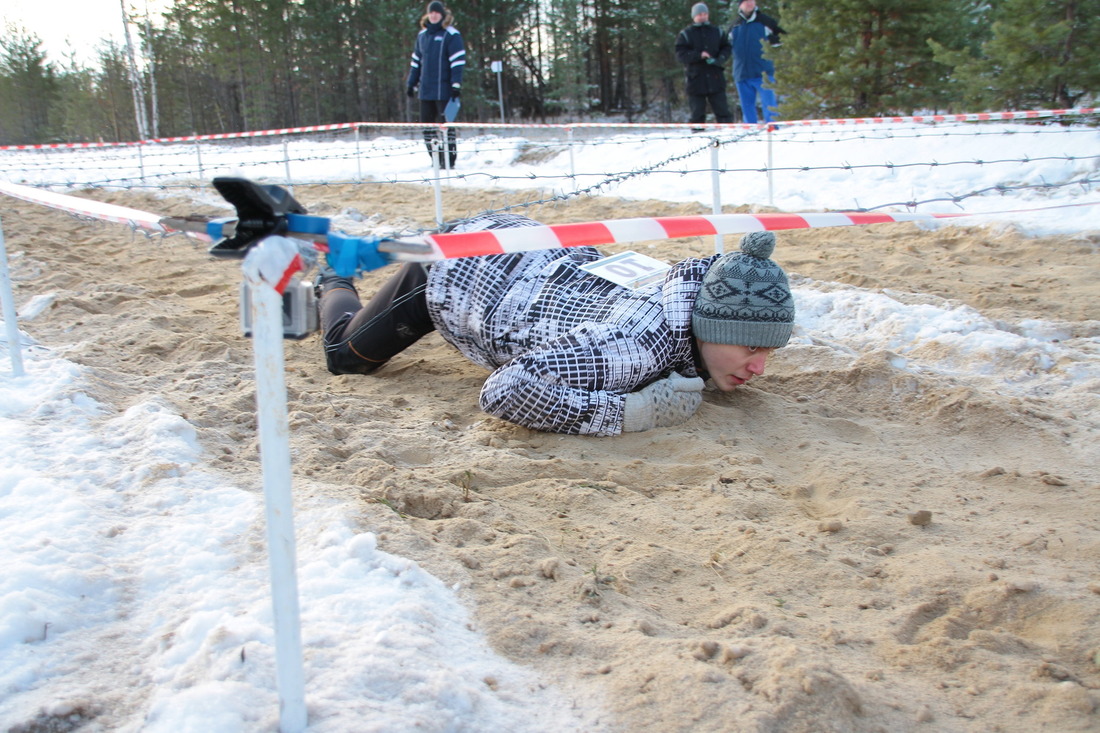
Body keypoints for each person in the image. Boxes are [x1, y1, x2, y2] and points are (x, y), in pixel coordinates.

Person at [317, 213, 796, 436]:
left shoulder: (688, 292)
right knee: (345, 354)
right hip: (457, 269)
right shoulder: (635, 345)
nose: (759, 367)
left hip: (523, 247)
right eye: (750, 348)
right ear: (712, 325)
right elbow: (504, 390)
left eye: (768, 351)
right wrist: (635, 412)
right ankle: (333, 277)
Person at [406, 1, 466, 168]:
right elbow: (416, 63)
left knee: (447, 127)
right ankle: (436, 159)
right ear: (428, 15)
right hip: (426, 91)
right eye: (431, 13)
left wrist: (456, 85)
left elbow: (457, 63)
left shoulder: (451, 35)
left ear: (442, 15)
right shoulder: (422, 36)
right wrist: (411, 83)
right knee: (427, 127)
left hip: (444, 91)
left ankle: (449, 161)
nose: (434, 16)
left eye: (437, 13)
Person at [674, 3, 734, 127]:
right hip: (695, 78)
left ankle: (728, 136)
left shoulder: (717, 31)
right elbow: (680, 54)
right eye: (700, 14)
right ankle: (697, 138)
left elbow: (726, 48)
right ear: (694, 16)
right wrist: (698, 55)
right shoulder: (686, 34)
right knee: (697, 114)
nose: (703, 17)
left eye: (705, 14)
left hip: (715, 77)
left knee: (723, 112)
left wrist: (719, 59)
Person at [729, 0, 785, 124]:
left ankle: (773, 132)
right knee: (747, 108)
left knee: (770, 106)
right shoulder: (734, 25)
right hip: (742, 73)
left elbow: (783, 37)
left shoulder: (765, 21)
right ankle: (750, 134)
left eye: (751, 0)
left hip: (763, 72)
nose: (749, 3)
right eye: (746, 1)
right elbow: (725, 47)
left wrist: (772, 41)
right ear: (740, 4)